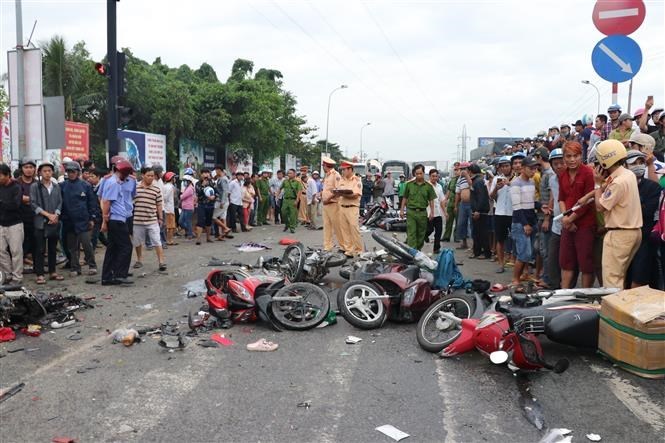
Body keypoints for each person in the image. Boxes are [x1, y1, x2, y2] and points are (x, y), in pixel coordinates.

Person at [577, 140, 642, 289]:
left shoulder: (617, 182)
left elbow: (600, 206)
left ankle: (612, 305)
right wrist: (588, 196)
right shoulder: (628, 174)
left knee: (611, 281)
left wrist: (597, 184)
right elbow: (607, 187)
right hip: (633, 232)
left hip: (619, 234)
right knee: (619, 277)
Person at [558, 141, 596, 289]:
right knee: (566, 260)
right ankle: (564, 292)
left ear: (581, 156)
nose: (572, 159)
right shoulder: (563, 174)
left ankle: (585, 294)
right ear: (564, 157)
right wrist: (565, 217)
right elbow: (561, 198)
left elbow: (588, 202)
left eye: (576, 156)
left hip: (585, 223)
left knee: (585, 262)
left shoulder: (588, 173)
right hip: (567, 221)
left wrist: (570, 219)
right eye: (568, 156)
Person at [623, 150, 661, 288]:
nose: (638, 166)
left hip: (644, 238)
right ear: (625, 166)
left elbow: (647, 211)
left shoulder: (652, 187)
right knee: (623, 276)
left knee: (639, 277)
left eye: (641, 162)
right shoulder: (620, 185)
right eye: (634, 163)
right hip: (624, 238)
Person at [100, 160, 135, 286]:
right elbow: (106, 202)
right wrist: (105, 219)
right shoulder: (114, 183)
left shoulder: (113, 181)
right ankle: (120, 274)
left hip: (116, 219)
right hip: (117, 219)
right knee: (126, 247)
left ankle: (107, 277)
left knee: (112, 248)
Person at [60, 162, 98, 277]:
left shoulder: (86, 186)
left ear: (78, 172)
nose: (71, 174)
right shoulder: (62, 186)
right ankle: (75, 267)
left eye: (73, 171)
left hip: (83, 220)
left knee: (87, 245)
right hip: (68, 221)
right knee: (72, 247)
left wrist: (92, 218)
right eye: (69, 171)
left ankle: (92, 265)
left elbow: (92, 203)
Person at [31, 162, 63, 284]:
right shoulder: (35, 186)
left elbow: (60, 202)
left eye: (49, 171)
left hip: (53, 221)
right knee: (40, 249)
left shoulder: (56, 186)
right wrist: (47, 214)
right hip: (40, 221)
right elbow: (33, 204)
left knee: (53, 248)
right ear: (40, 172)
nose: (47, 173)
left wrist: (56, 214)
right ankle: (40, 274)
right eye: (45, 171)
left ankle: (52, 271)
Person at [509, 157, 538, 288]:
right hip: (520, 222)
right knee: (523, 253)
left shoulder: (531, 182)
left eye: (535, 168)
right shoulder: (515, 183)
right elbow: (517, 207)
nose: (533, 171)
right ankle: (515, 279)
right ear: (523, 168)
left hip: (531, 220)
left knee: (528, 253)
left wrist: (540, 206)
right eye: (531, 168)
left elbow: (531, 202)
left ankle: (523, 275)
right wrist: (525, 224)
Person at [132, 167, 166, 272]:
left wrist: (160, 218)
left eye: (152, 176)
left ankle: (161, 262)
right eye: (148, 175)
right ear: (143, 175)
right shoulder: (135, 187)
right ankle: (139, 260)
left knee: (157, 241)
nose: (151, 178)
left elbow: (159, 204)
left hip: (152, 220)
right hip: (137, 220)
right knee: (137, 242)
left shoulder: (156, 189)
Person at [401, 164, 436, 251]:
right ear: (414, 174)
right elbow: (405, 198)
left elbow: (431, 200)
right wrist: (401, 210)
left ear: (424, 173)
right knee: (411, 233)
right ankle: (412, 252)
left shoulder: (428, 186)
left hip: (422, 213)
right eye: (417, 174)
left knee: (421, 234)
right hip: (411, 212)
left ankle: (418, 250)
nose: (419, 175)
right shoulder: (409, 185)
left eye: (420, 173)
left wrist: (432, 212)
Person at [534, 147, 554, 288]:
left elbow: (552, 197)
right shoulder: (544, 173)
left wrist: (547, 218)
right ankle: (545, 276)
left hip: (548, 216)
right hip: (543, 215)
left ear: (539, 157)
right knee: (541, 249)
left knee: (546, 250)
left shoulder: (549, 174)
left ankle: (547, 279)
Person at [335, 161, 364, 256]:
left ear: (350, 169)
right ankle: (349, 250)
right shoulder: (341, 180)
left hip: (352, 207)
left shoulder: (357, 180)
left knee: (354, 229)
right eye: (342, 170)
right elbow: (338, 192)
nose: (342, 172)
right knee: (344, 230)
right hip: (342, 207)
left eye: (344, 170)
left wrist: (343, 194)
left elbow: (355, 195)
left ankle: (358, 249)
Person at [489, 157, 512, 273]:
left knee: (515, 239)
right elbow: (492, 197)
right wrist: (496, 189)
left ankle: (514, 261)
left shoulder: (516, 179)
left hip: (513, 212)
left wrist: (510, 184)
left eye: (507, 166)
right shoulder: (496, 179)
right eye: (502, 166)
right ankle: (501, 263)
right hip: (499, 212)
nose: (505, 168)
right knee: (500, 239)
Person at [547, 148, 565, 289]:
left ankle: (567, 287)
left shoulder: (572, 178)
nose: (559, 166)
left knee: (567, 260)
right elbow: (553, 197)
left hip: (570, 224)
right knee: (552, 258)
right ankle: (554, 286)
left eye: (561, 163)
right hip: (556, 224)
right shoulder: (552, 179)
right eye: (555, 164)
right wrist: (548, 213)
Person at [17, 157, 37, 269]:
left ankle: (36, 265)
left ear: (34, 169)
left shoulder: (37, 183)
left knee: (35, 243)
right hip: (19, 218)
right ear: (21, 168)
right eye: (26, 167)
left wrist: (26, 199)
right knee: (19, 244)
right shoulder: (16, 183)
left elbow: (40, 199)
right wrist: (30, 199)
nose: (28, 170)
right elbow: (15, 198)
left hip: (34, 218)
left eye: (31, 167)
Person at [469, 164, 491, 259]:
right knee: (476, 233)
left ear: (470, 171)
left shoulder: (478, 182)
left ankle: (486, 253)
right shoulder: (476, 181)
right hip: (476, 211)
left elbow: (482, 197)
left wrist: (478, 210)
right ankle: (477, 252)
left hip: (480, 212)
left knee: (482, 233)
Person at [321, 157, 342, 251]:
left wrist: (328, 199)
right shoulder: (327, 175)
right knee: (327, 226)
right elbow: (328, 189)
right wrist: (321, 194)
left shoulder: (335, 175)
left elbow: (338, 190)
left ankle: (343, 246)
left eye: (323, 165)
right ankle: (327, 246)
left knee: (337, 226)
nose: (323, 167)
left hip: (333, 204)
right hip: (326, 204)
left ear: (326, 166)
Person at [425, 169, 446, 254]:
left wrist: (445, 212)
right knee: (429, 229)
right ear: (429, 176)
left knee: (439, 231)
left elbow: (442, 200)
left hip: (438, 212)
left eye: (436, 176)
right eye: (433, 176)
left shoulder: (439, 186)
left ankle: (436, 248)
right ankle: (424, 236)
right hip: (428, 212)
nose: (434, 178)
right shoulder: (426, 186)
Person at [194, 169, 217, 244]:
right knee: (200, 221)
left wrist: (214, 197)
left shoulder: (212, 182)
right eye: (204, 173)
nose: (206, 174)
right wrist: (203, 185)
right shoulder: (198, 183)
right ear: (201, 174)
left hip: (210, 205)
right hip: (201, 205)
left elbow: (216, 192)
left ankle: (208, 238)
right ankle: (198, 239)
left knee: (209, 221)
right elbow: (198, 193)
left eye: (207, 173)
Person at [87, 168, 108, 249]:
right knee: (99, 235)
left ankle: (90, 256)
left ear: (98, 177)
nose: (89, 178)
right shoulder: (92, 187)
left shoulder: (103, 187)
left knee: (94, 236)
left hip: (100, 214)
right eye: (89, 176)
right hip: (96, 214)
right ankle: (111, 247)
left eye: (92, 176)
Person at [454, 162, 472, 250]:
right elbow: (457, 193)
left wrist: (467, 176)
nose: (463, 171)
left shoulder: (472, 177)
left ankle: (475, 245)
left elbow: (472, 185)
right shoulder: (459, 179)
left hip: (472, 204)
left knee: (472, 224)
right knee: (461, 223)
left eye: (465, 169)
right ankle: (464, 243)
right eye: (461, 169)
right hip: (463, 204)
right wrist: (455, 205)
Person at [212, 166, 232, 240]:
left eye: (216, 170)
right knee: (223, 218)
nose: (215, 172)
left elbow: (225, 191)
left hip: (222, 201)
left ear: (219, 170)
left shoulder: (223, 179)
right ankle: (222, 235)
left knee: (214, 217)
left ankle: (226, 228)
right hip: (224, 200)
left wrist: (222, 202)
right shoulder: (222, 178)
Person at [281, 169, 302, 234]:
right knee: (283, 213)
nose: (289, 174)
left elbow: (299, 191)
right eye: (288, 173)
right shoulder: (285, 181)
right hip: (285, 200)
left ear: (294, 174)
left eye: (290, 173)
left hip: (293, 200)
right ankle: (287, 224)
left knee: (292, 214)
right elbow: (280, 188)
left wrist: (297, 200)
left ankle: (292, 227)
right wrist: (277, 195)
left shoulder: (297, 182)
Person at [443, 163, 460, 242]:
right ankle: (446, 236)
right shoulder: (452, 180)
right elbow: (449, 190)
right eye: (455, 170)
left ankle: (457, 237)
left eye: (458, 169)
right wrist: (446, 199)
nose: (456, 171)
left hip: (459, 202)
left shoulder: (462, 179)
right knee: (449, 220)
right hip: (451, 202)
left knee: (458, 221)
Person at [162, 172, 178, 246]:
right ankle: (170, 240)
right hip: (169, 209)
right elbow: (165, 198)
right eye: (174, 178)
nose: (175, 179)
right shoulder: (170, 187)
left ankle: (168, 240)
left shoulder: (165, 186)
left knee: (168, 226)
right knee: (171, 226)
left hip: (166, 208)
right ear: (171, 178)